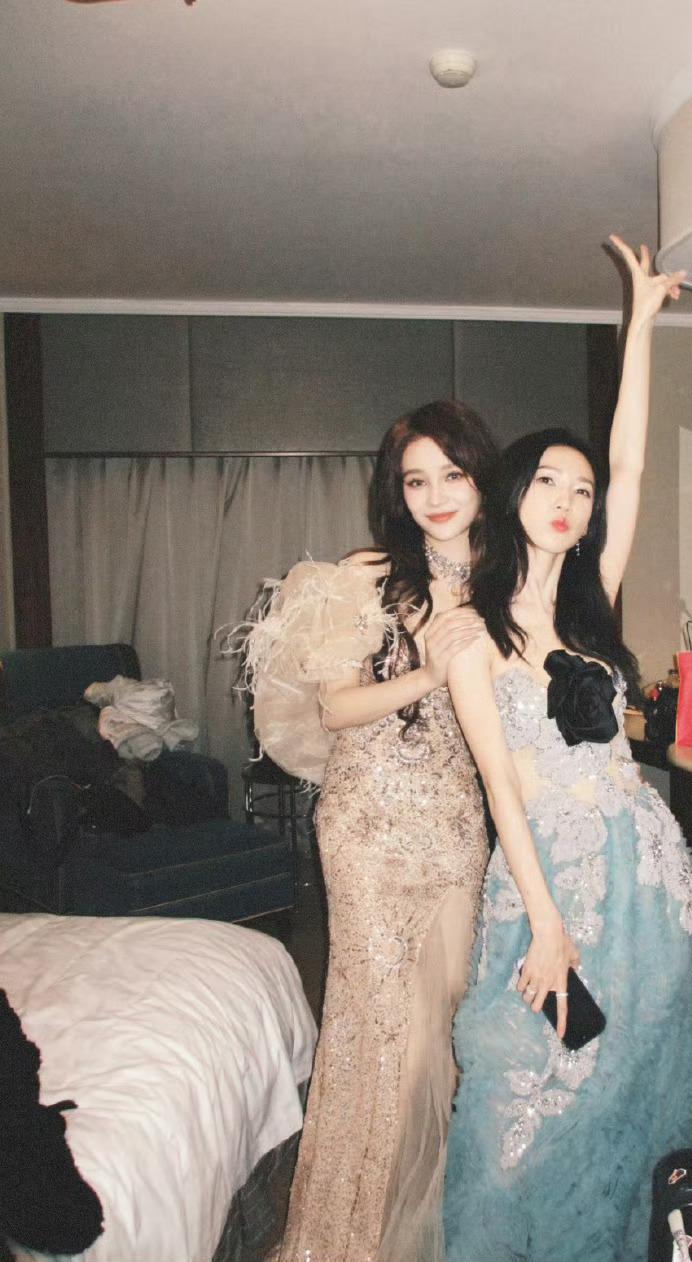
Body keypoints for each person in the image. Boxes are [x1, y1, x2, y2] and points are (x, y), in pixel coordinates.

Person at [442, 240, 692, 1262]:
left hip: (645, 882)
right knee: (523, 1091)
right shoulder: (471, 633)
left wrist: (642, 324)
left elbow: (633, 462)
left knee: (629, 1077)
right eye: (549, 479)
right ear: (514, 492)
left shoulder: (593, 612)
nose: (569, 497)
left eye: (582, 490)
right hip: (544, 889)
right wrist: (548, 926)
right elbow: (501, 790)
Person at [244, 400, 498, 1262]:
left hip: (456, 822)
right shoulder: (362, 577)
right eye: (416, 481)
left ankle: (432, 1216)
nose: (436, 495)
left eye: (452, 475)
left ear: (480, 478)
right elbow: (336, 708)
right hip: (366, 822)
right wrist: (429, 671)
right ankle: (353, 1232)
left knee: (450, 1015)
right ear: (397, 492)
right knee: (379, 1019)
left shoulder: (506, 585)